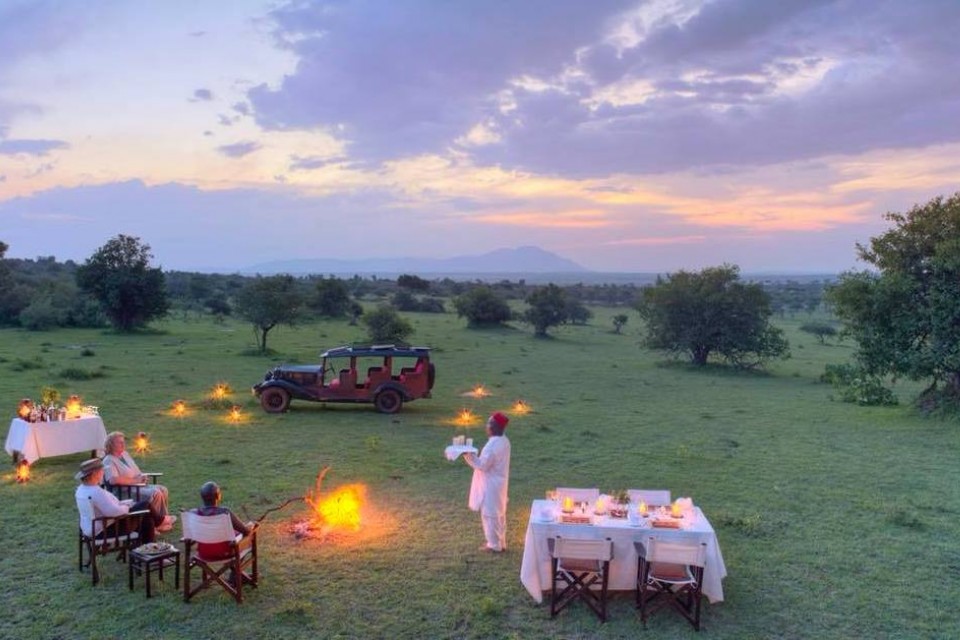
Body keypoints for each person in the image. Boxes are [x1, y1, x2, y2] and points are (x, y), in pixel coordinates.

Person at [102, 430, 173, 531]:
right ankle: (154, 525)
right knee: (155, 493)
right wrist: (135, 481)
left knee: (163, 489)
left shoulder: (125, 454)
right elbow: (113, 480)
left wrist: (142, 477)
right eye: (120, 442)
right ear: (111, 445)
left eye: (123, 442)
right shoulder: (108, 460)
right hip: (124, 491)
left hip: (137, 485)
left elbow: (135, 470)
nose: (123, 444)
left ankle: (163, 519)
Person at [75, 458, 156, 543]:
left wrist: (124, 504)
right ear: (95, 474)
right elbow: (114, 512)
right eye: (102, 471)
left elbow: (108, 507)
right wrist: (127, 507)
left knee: (147, 517)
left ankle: (145, 550)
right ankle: (160, 523)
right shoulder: (96, 492)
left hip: (90, 528)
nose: (103, 473)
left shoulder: (81, 490)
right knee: (146, 506)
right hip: (105, 530)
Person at [462, 411, 511, 552]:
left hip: (490, 485)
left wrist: (468, 456)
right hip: (499, 482)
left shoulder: (492, 445)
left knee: (490, 515)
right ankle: (501, 542)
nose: (486, 426)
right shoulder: (504, 440)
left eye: (488, 423)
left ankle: (494, 545)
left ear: (493, 427)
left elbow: (482, 465)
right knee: (499, 513)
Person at [192, 481, 256, 560]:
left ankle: (233, 571)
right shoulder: (224, 512)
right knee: (246, 538)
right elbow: (245, 531)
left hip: (203, 554)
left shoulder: (194, 514)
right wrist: (250, 526)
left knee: (236, 534)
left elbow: (191, 536)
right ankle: (235, 571)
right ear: (218, 496)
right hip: (225, 553)